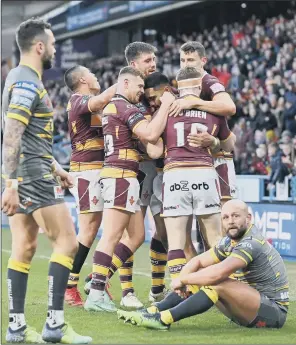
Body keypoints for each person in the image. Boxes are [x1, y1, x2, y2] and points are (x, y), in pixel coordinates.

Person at [1, 18, 91, 343]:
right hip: (31, 176)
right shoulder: (28, 83)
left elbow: (27, 135)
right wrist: (10, 184)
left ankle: (16, 328)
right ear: (40, 47)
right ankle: (55, 324)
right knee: (66, 242)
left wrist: (58, 167)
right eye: (52, 44)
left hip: (32, 170)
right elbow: (12, 134)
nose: (54, 49)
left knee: (23, 247)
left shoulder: (16, 77)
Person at [84, 66, 175, 312]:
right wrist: (166, 105)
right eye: (137, 87)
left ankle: (97, 281)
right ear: (125, 83)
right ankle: (96, 293)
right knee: (112, 236)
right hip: (119, 175)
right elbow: (150, 132)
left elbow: (154, 149)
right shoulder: (124, 106)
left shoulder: (115, 108)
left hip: (125, 176)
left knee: (136, 237)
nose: (140, 93)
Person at [118, 199, 289, 330]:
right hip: (248, 309)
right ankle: (153, 311)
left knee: (217, 280)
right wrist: (184, 278)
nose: (231, 221)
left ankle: (163, 319)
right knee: (203, 273)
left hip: (272, 314)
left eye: (236, 216)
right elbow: (198, 261)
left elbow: (217, 274)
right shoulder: (230, 240)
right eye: (226, 217)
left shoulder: (251, 242)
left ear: (248, 218)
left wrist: (183, 281)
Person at [156, 67, 235, 281]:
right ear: (200, 87)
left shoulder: (166, 110)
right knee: (216, 238)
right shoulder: (213, 110)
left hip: (175, 174)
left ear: (177, 86)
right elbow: (229, 145)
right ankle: (228, 290)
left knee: (176, 241)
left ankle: (178, 291)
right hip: (203, 173)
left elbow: (154, 149)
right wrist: (215, 141)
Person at [170, 41, 237, 249]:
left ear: (203, 61)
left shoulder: (209, 81)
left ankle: (230, 269)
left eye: (190, 59)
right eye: (182, 60)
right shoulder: (182, 83)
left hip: (219, 158)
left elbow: (229, 107)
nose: (185, 64)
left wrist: (195, 102)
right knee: (198, 224)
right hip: (195, 162)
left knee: (224, 217)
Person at [63, 65, 117, 306]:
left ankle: (95, 279)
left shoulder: (89, 101)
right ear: (83, 80)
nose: (97, 76)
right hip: (86, 171)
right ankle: (68, 286)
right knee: (88, 229)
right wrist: (124, 81)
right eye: (93, 74)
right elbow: (99, 102)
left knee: (106, 228)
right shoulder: (78, 100)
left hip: (99, 169)